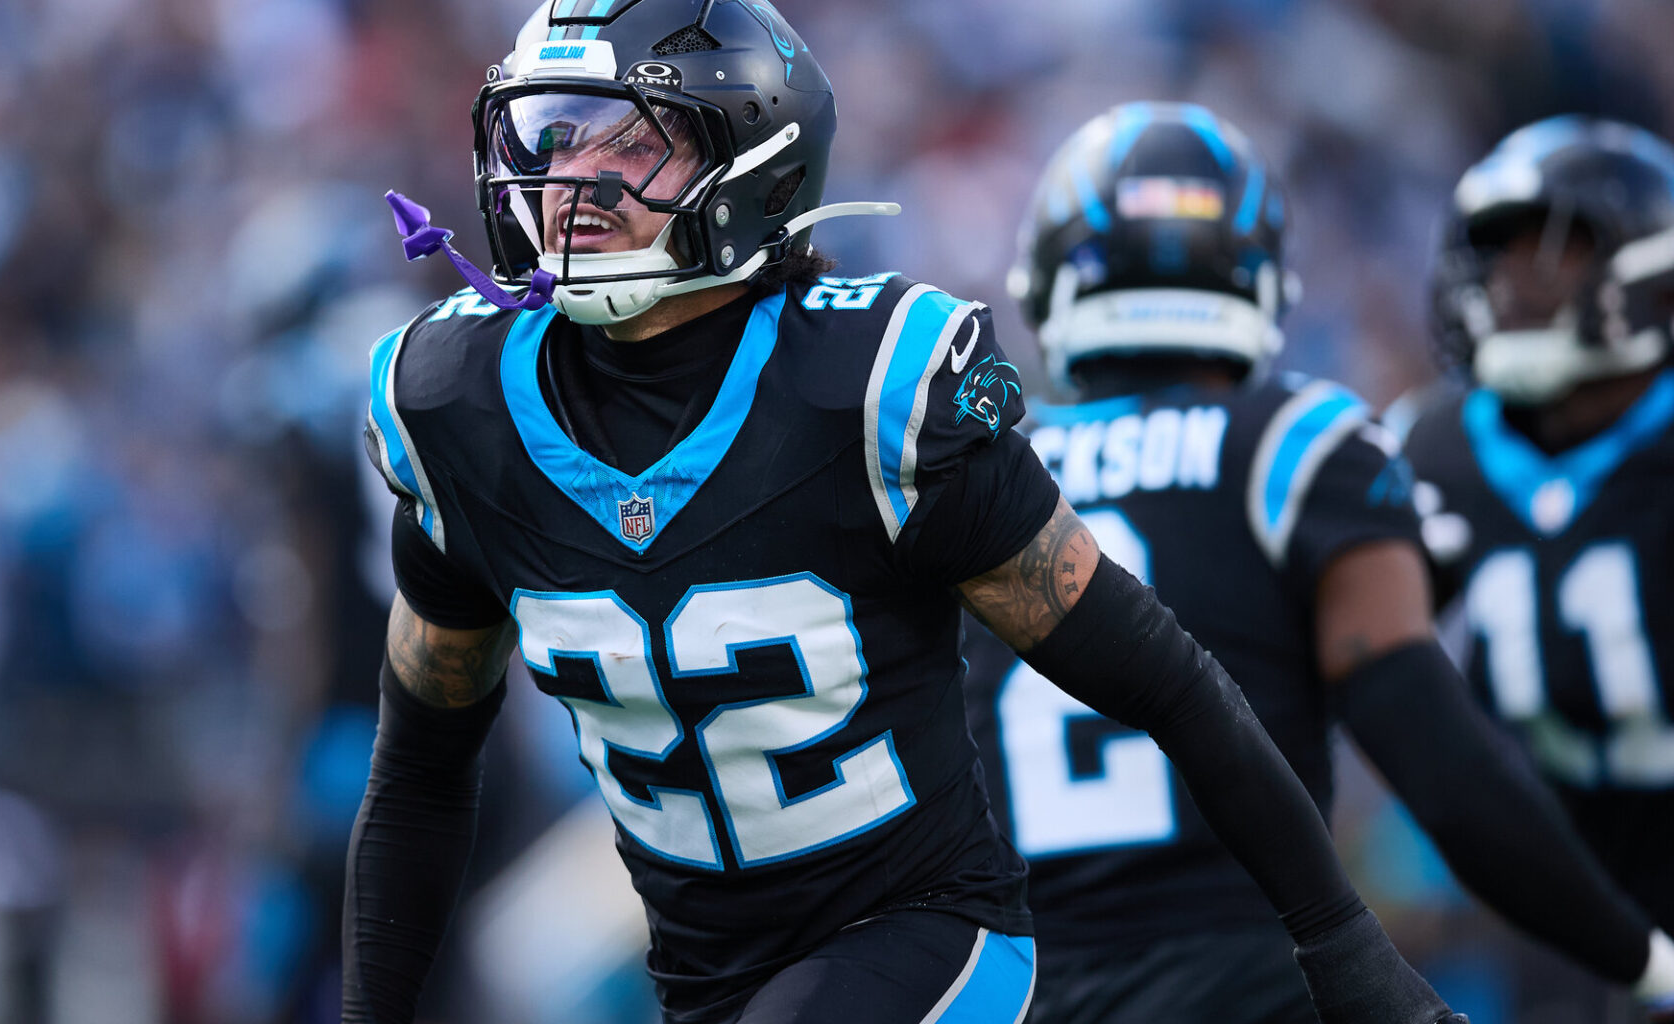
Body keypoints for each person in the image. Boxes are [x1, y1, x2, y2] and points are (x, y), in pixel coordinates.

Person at [343, 4, 1465, 1023]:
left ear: (751, 155)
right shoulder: (459, 409)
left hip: (929, 940)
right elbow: (421, 769)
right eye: (550, 137)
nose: (569, 179)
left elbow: (1164, 678)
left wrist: (1348, 953)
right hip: (703, 980)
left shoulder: (865, 391)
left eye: (627, 141)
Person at [960, 102, 1674, 1024]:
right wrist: (1643, 960)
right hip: (1254, 973)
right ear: (1258, 276)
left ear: (1050, 281)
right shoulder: (1297, 443)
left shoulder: (988, 475)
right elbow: (1432, 754)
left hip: (1027, 988)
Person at [1404, 115, 1674, 944]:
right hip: (1547, 888)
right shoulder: (1433, 447)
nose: (1513, 281)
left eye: (1557, 248)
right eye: (1502, 250)